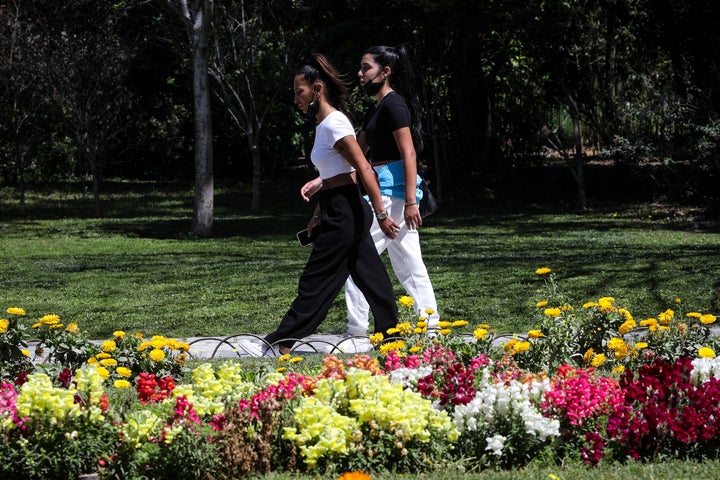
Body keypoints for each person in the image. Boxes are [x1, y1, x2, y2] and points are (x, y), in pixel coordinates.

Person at [237, 53, 400, 357]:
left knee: (316, 279)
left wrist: (381, 214)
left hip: (347, 211)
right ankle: (392, 340)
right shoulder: (325, 124)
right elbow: (332, 175)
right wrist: (318, 213)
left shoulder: (334, 124)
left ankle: (279, 343)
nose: (296, 98)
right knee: (373, 279)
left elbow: (362, 169)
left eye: (300, 92)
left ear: (317, 89)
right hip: (339, 207)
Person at [301, 45, 440, 353]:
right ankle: (430, 329)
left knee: (357, 257)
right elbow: (356, 155)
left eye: (366, 68)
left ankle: (357, 332)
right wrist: (321, 180)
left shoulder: (394, 105)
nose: (361, 75)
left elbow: (409, 152)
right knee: (409, 264)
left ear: (385, 71)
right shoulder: (378, 108)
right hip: (390, 193)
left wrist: (411, 202)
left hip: (393, 196)